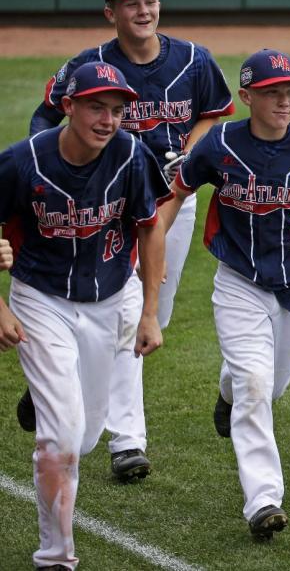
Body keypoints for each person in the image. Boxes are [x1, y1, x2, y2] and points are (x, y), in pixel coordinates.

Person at [20, 0, 235, 482]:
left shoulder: (192, 61)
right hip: (105, 211)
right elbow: (44, 123)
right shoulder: (89, 66)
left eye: (150, 0)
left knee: (142, 317)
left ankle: (63, 375)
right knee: (122, 310)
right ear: (110, 11)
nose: (144, 10)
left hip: (170, 207)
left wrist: (189, 149)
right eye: (131, 2)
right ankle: (128, 440)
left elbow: (216, 111)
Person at [160, 49, 290, 540]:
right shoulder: (220, 144)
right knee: (257, 387)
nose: (284, 100)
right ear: (247, 96)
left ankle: (226, 392)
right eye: (273, 91)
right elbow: (178, 190)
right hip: (239, 279)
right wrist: (156, 258)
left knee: (268, 386)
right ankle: (263, 499)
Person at [0, 61, 169, 569]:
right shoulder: (21, 161)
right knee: (62, 439)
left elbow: (149, 227)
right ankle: (56, 556)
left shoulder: (131, 155)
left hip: (111, 300)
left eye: (117, 109)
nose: (108, 119)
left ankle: (48, 393)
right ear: (68, 107)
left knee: (90, 435)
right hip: (41, 298)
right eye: (96, 106)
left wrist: (150, 312)